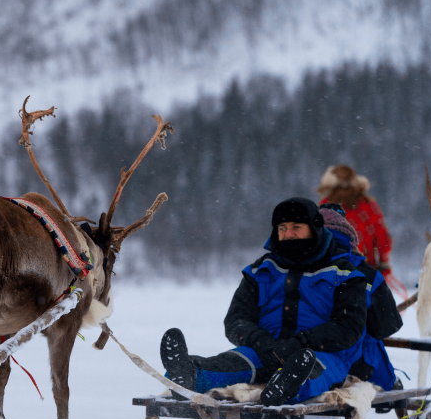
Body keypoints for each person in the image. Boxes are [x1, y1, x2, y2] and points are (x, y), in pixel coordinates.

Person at [161, 197, 368, 406]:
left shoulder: (345, 273)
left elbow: (349, 327)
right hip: (264, 351)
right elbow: (236, 319)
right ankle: (189, 375)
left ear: (315, 228)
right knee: (229, 364)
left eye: (297, 227)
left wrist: (302, 342)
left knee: (309, 370)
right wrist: (262, 342)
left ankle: (286, 387)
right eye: (283, 228)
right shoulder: (260, 270)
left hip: (321, 355)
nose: (289, 234)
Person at [319, 203, 403, 392]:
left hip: (301, 351)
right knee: (370, 341)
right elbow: (388, 325)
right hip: (356, 363)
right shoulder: (365, 273)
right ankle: (390, 387)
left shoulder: (297, 266)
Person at [316, 165, 393, 278]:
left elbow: (318, 240)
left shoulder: (325, 207)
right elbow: (382, 238)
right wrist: (383, 263)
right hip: (367, 270)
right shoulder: (368, 205)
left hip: (334, 273)